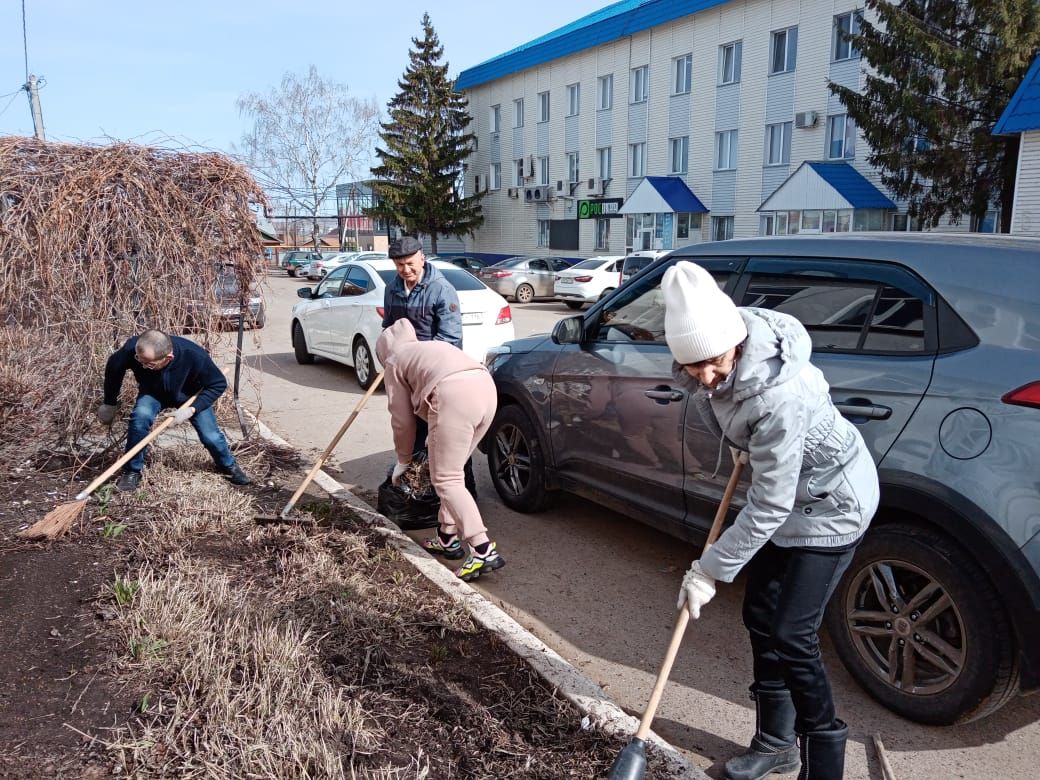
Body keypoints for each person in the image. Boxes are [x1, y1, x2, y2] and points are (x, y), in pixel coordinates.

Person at [662, 262, 879, 780]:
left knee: (792, 633)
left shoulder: (777, 394)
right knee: (761, 614)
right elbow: (769, 474)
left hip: (832, 504)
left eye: (714, 364)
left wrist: (709, 569)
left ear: (734, 342)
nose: (707, 379)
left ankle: (824, 763)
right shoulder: (727, 348)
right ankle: (775, 744)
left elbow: (770, 505)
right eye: (694, 369)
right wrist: (752, 449)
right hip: (791, 497)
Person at [376, 319, 503, 581]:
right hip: (486, 389)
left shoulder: (394, 361)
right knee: (453, 474)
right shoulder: (428, 347)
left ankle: (482, 550)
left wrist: (403, 460)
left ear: (383, 352)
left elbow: (401, 420)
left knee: (446, 478)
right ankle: (447, 536)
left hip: (454, 395)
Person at [381, 235, 477, 501]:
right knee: (411, 431)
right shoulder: (392, 289)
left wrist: (420, 361)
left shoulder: (441, 289)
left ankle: (464, 491)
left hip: (436, 375)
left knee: (444, 436)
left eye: (410, 263)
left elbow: (450, 339)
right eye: (399, 265)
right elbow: (389, 329)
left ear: (422, 258)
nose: (405, 270)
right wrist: (392, 361)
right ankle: (421, 493)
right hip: (407, 376)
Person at [96, 329, 251, 491]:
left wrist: (191, 410)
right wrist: (109, 402)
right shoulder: (132, 349)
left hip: (190, 396)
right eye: (139, 360)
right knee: (139, 420)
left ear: (168, 358)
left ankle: (228, 465)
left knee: (210, 436)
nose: (142, 366)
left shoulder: (194, 355)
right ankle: (132, 471)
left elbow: (218, 384)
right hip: (152, 392)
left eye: (149, 364)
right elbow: (114, 368)